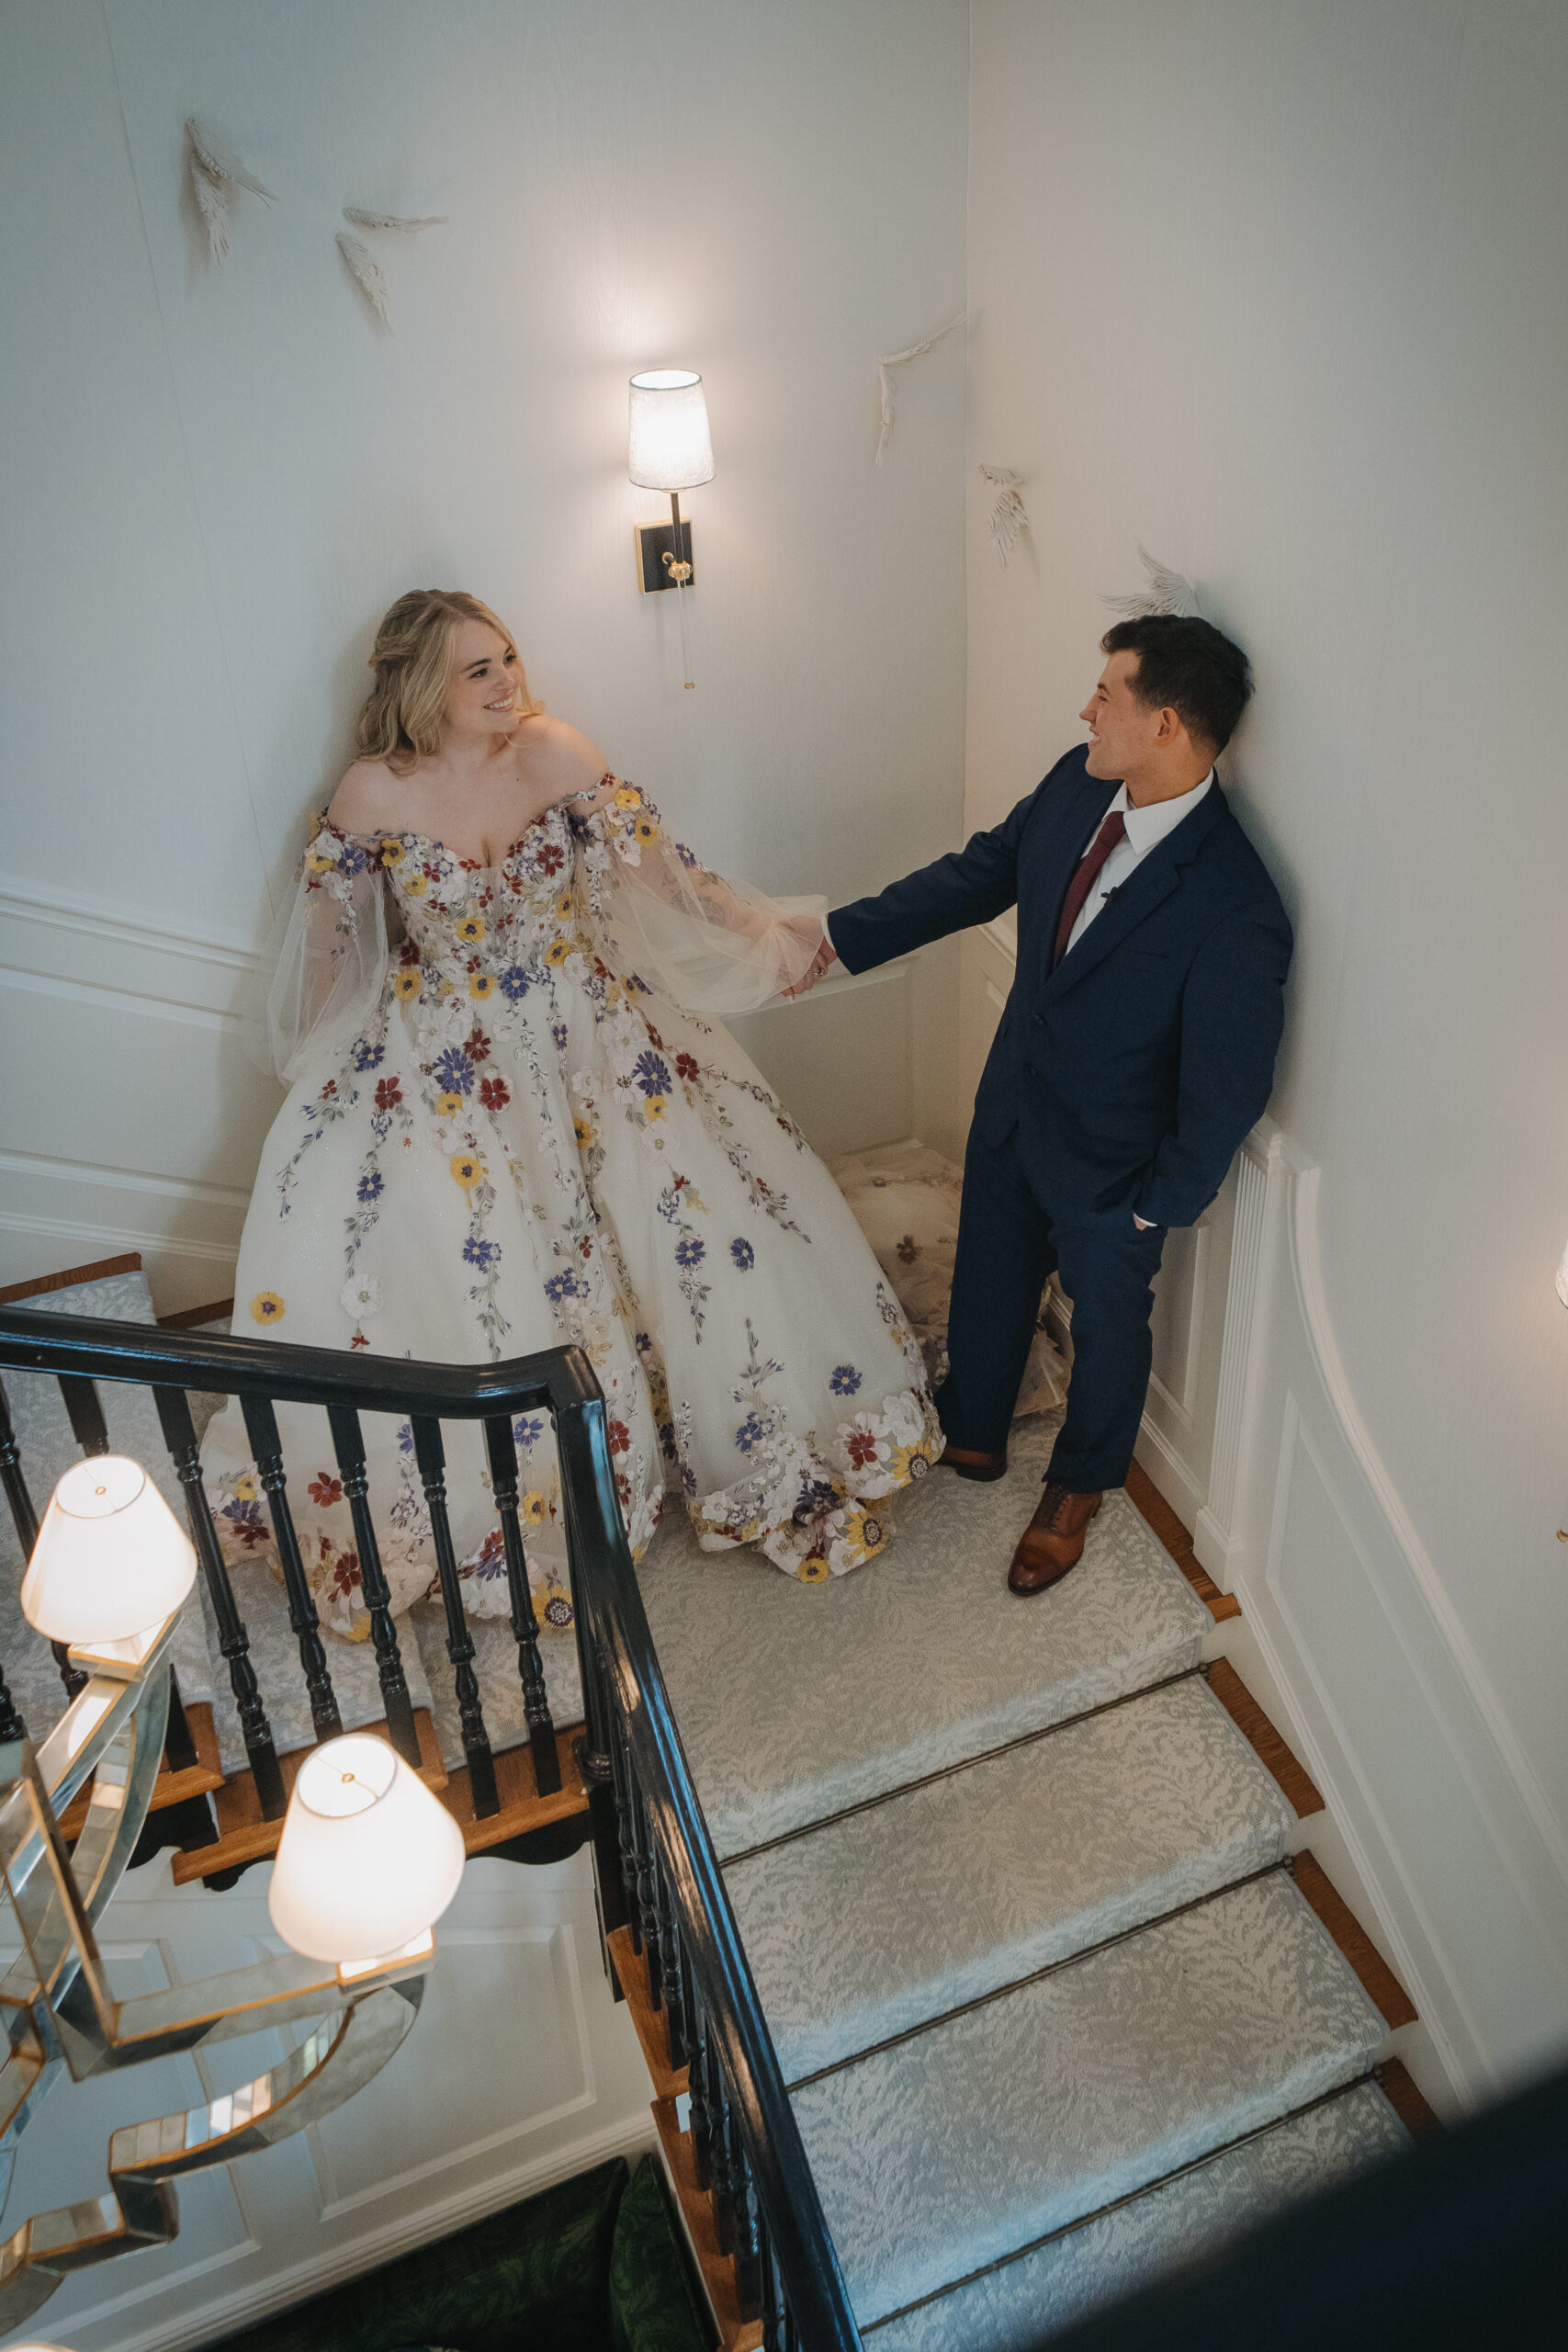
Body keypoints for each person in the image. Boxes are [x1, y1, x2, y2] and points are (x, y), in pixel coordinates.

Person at [202, 589, 941, 1636]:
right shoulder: (372, 793)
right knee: (490, 1264)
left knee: (679, 1226)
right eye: (479, 671)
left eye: (507, 658)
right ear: (424, 688)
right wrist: (326, 1084)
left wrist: (763, 929)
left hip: (585, 1028)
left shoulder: (553, 752)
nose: (509, 682)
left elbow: (662, 872)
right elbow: (335, 951)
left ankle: (723, 1439)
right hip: (451, 1054)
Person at [802, 615, 1292, 1595]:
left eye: (1106, 692)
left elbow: (1229, 1087)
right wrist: (829, 939)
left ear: (1164, 725)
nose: (1086, 708)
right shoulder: (1079, 782)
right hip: (1016, 1100)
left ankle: (1078, 1484)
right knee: (990, 1263)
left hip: (1117, 1171)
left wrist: (1155, 1204)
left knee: (1110, 1328)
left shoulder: (1237, 905)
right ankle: (975, 1430)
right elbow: (977, 875)